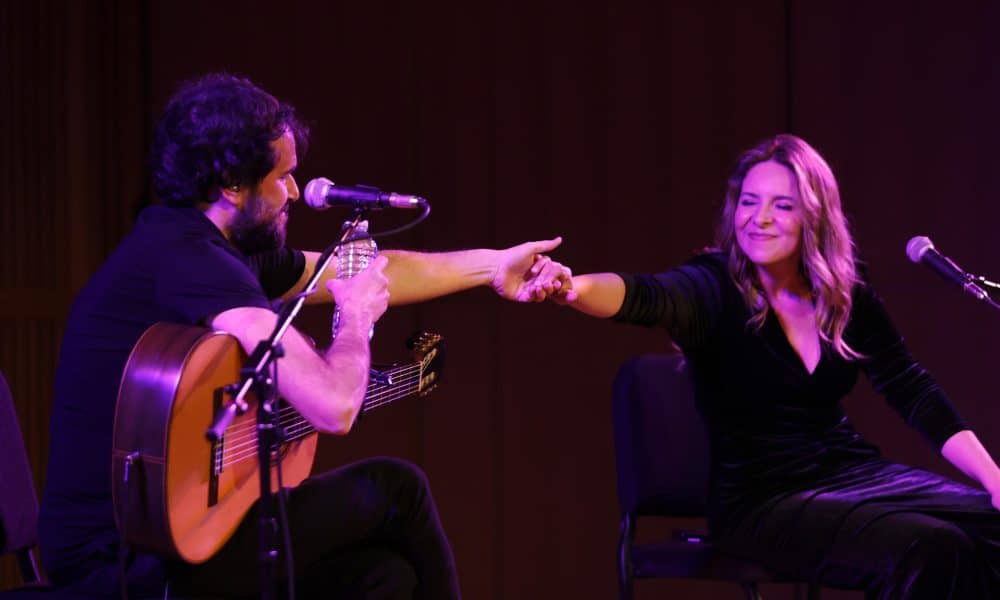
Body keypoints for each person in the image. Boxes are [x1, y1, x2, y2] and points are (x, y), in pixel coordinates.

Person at [38, 73, 564, 599]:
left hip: (165, 534)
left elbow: (370, 270)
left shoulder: (206, 244)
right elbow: (334, 407)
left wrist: (495, 268)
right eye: (282, 177)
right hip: (125, 561)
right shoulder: (192, 262)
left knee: (385, 577)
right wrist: (356, 322)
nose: (294, 191)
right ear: (231, 184)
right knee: (398, 490)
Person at [532, 134, 1000, 597]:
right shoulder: (712, 287)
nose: (760, 219)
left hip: (852, 475)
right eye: (749, 202)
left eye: (782, 206)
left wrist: (993, 477)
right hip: (763, 501)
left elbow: (912, 390)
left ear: (813, 217)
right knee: (932, 548)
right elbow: (645, 296)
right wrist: (572, 288)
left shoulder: (843, 294)